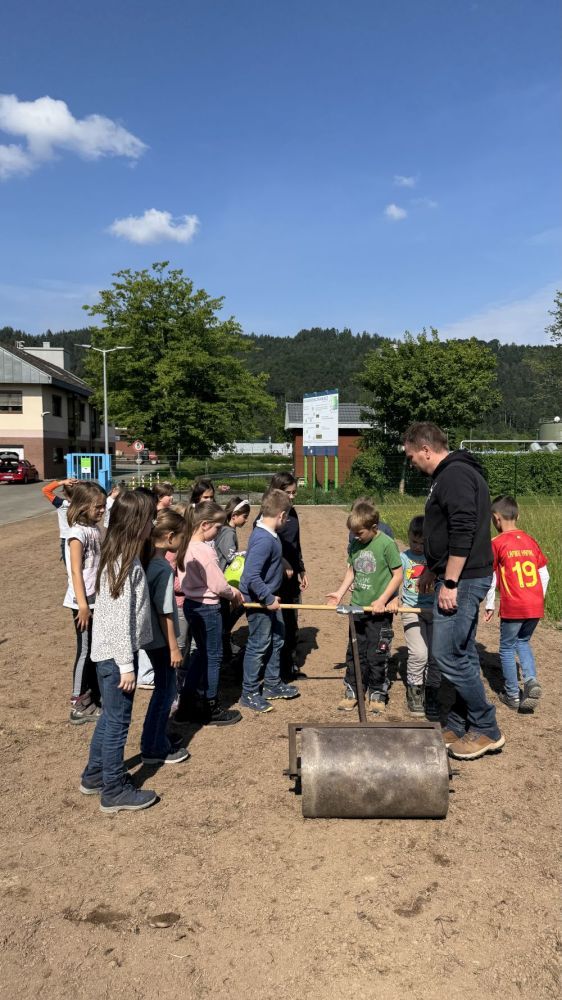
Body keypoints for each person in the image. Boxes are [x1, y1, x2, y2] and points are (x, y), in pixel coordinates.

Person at [403, 421, 505, 761]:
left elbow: (463, 530)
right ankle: (461, 724)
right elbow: (447, 530)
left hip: (464, 580)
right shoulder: (448, 475)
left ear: (426, 449)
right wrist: (433, 569)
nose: (411, 463)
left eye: (411, 456)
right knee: (463, 652)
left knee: (447, 653)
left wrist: (449, 581)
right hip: (459, 575)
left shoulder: (455, 475)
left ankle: (487, 728)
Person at [80, 490, 159, 813]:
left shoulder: (123, 557)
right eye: (150, 518)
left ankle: (94, 774)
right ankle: (113, 789)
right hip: (116, 658)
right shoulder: (122, 565)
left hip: (112, 655)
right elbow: (116, 620)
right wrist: (127, 664)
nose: (153, 523)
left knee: (110, 718)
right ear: (137, 522)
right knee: (118, 723)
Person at [327, 500, 402, 713]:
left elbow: (398, 575)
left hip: (379, 612)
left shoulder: (387, 544)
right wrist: (339, 593)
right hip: (357, 609)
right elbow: (352, 571)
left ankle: (377, 693)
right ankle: (353, 690)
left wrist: (383, 600)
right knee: (355, 652)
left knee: (377, 653)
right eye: (353, 533)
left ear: (373, 527)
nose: (355, 537)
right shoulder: (355, 544)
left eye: (359, 533)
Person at [174, 501, 243, 725]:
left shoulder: (186, 545)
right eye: (217, 527)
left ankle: (186, 704)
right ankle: (211, 706)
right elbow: (218, 584)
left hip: (192, 605)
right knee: (213, 656)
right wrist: (233, 593)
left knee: (201, 654)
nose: (219, 532)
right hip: (208, 608)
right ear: (205, 525)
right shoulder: (204, 550)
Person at [484, 495, 549, 711]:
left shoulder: (497, 543)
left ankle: (512, 695)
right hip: (534, 605)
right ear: (518, 516)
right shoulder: (530, 541)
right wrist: (538, 599)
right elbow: (544, 574)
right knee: (523, 641)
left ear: (496, 519)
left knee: (506, 647)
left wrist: (490, 604)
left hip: (514, 606)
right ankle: (530, 680)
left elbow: (492, 577)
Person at [239, 489, 301, 712]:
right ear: (282, 515)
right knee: (259, 645)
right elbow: (251, 576)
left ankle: (272, 684)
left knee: (277, 639)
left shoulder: (269, 535)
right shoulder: (263, 539)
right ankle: (249, 692)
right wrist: (267, 598)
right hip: (260, 602)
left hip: (270, 598)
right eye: (287, 518)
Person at [141, 509, 190, 764]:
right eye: (181, 537)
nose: (183, 542)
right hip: (161, 641)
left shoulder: (148, 561)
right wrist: (174, 647)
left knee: (163, 689)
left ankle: (156, 737)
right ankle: (154, 747)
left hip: (152, 638)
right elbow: (165, 612)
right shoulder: (162, 568)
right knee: (166, 690)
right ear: (170, 537)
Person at [64, 481, 107, 724]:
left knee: (94, 650)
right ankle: (78, 703)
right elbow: (76, 571)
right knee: (85, 651)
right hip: (84, 603)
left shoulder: (94, 529)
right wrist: (82, 605)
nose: (102, 510)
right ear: (82, 506)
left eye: (103, 506)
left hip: (96, 600)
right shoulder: (77, 534)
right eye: (98, 506)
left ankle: (93, 695)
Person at [266, 473, 308, 680]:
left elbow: (295, 544)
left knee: (291, 623)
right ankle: (275, 671)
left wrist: (301, 568)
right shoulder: (266, 516)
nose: (292, 497)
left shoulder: (293, 513)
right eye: (288, 493)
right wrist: (282, 561)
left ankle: (288, 666)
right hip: (275, 579)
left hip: (291, 579)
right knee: (277, 626)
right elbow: (265, 543)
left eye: (294, 493)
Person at [399, 515, 441, 720]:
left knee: (435, 655)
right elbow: (392, 578)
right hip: (411, 610)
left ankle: (432, 692)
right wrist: (392, 599)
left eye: (422, 543)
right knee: (419, 653)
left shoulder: (437, 559)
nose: (417, 547)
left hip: (434, 611)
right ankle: (415, 692)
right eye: (413, 541)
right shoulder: (403, 558)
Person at [215, 497, 251, 660]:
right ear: (234, 515)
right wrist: (245, 554)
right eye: (245, 516)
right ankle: (224, 648)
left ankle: (225, 646)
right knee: (235, 608)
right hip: (223, 579)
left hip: (222, 578)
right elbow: (230, 556)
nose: (246, 520)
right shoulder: (228, 532)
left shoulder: (226, 530)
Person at [41, 477, 78, 563]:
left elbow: (45, 490)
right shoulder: (83, 503)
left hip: (66, 537)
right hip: (81, 535)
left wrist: (62, 482)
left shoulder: (61, 504)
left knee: (69, 566)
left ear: (64, 493)